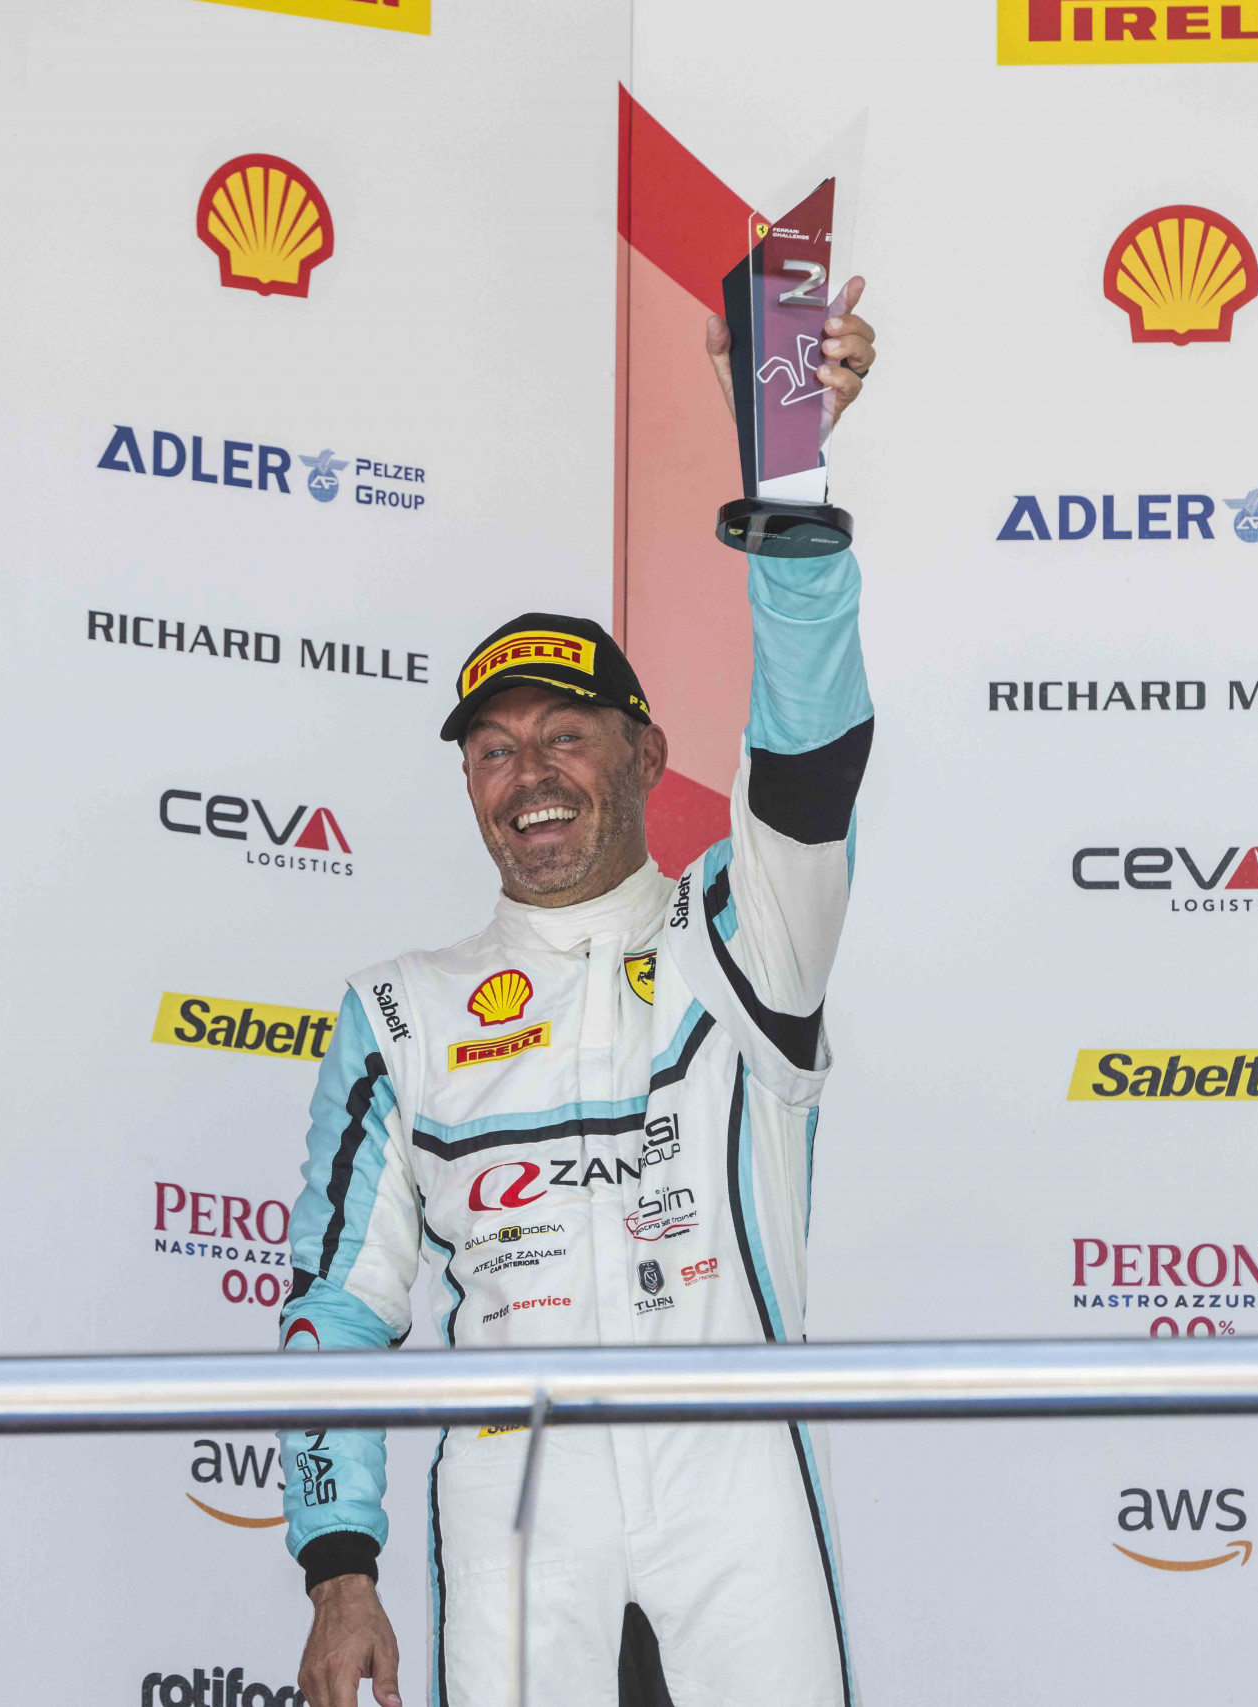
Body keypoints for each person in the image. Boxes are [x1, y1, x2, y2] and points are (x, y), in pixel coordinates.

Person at [278, 281, 880, 1707]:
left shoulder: (744, 933)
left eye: (565, 735)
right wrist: (339, 1567)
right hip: (514, 1496)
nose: (529, 775)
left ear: (646, 753)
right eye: (492, 751)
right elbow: (336, 1308)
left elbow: (810, 760)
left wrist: (790, 488)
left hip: (735, 1478)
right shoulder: (399, 1012)